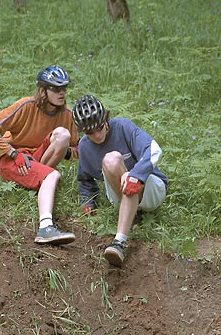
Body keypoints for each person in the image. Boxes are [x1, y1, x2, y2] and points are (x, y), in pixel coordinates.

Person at [0, 65, 79, 245]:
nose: (61, 92)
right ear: (43, 90)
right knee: (53, 174)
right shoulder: (26, 105)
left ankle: (41, 178)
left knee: (63, 134)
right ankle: (45, 228)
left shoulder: (67, 114)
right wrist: (12, 152)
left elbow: (79, 148)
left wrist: (68, 152)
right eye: (56, 88)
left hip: (37, 158)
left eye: (64, 88)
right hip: (14, 160)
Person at [72, 95, 168, 267]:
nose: (97, 135)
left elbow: (153, 150)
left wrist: (135, 176)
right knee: (110, 160)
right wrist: (88, 203)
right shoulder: (84, 146)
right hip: (118, 195)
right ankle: (128, 219)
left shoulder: (122, 126)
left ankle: (119, 242)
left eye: (99, 127)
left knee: (114, 159)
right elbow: (85, 180)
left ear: (105, 119)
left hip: (150, 190)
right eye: (89, 132)